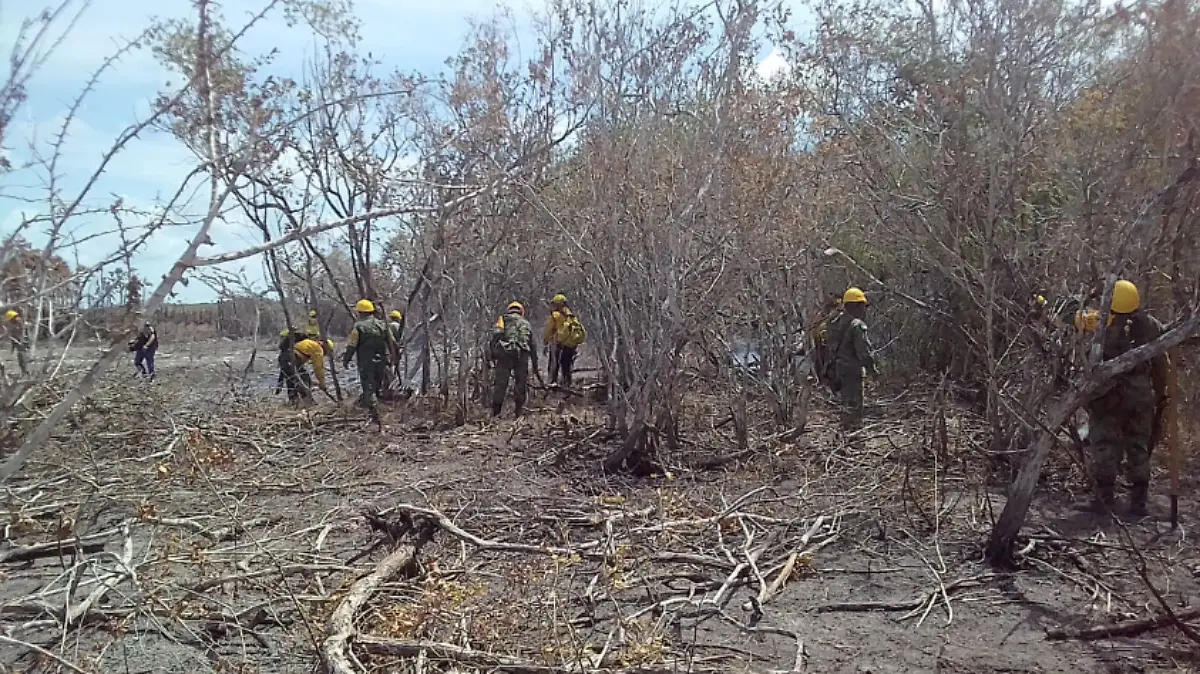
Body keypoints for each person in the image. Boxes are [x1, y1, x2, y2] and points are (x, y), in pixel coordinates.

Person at [1080, 279, 1167, 516]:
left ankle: (1104, 500)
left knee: (1105, 446)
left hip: (1108, 397)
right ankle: (1138, 502)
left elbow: (1074, 319)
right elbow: (1160, 364)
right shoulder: (1151, 325)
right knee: (1138, 447)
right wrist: (1161, 393)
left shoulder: (1100, 322)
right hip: (1140, 399)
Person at [824, 287, 877, 429]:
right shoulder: (857, 326)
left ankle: (845, 434)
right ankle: (854, 438)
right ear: (855, 306)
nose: (864, 310)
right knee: (855, 408)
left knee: (845, 405)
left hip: (837, 370)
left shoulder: (834, 322)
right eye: (862, 306)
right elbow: (864, 353)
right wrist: (873, 371)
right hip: (853, 372)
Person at [342, 299, 397, 425]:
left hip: (366, 363)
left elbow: (352, 345)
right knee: (376, 385)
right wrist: (395, 356)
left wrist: (346, 359)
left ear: (360, 312)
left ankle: (375, 416)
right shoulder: (383, 325)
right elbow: (392, 342)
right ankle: (377, 410)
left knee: (369, 387)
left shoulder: (358, 327)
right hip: (382, 361)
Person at [490, 301, 539, 417]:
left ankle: (496, 413)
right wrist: (535, 365)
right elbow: (533, 345)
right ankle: (518, 412)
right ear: (521, 311)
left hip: (505, 354)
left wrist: (492, 354)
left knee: (501, 384)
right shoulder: (526, 323)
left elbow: (496, 336)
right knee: (520, 384)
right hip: (522, 354)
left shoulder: (503, 319)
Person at [543, 293, 586, 387]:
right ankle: (567, 384)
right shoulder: (572, 316)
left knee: (554, 365)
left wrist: (545, 341)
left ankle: (552, 384)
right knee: (566, 366)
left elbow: (549, 330)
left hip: (559, 344)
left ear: (558, 304)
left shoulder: (556, 315)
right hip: (571, 345)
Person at [275, 329, 312, 403]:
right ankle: (301, 400)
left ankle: (296, 400)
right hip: (288, 360)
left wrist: (280, 384)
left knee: (292, 380)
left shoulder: (294, 342)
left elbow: (282, 369)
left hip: (288, 360)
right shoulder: (300, 339)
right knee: (297, 379)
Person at [3, 309, 28, 376]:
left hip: (21, 341)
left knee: (22, 357)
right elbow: (11, 334)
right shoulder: (13, 324)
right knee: (20, 357)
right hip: (17, 341)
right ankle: (24, 371)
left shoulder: (19, 322)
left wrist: (22, 341)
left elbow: (23, 333)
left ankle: (25, 371)